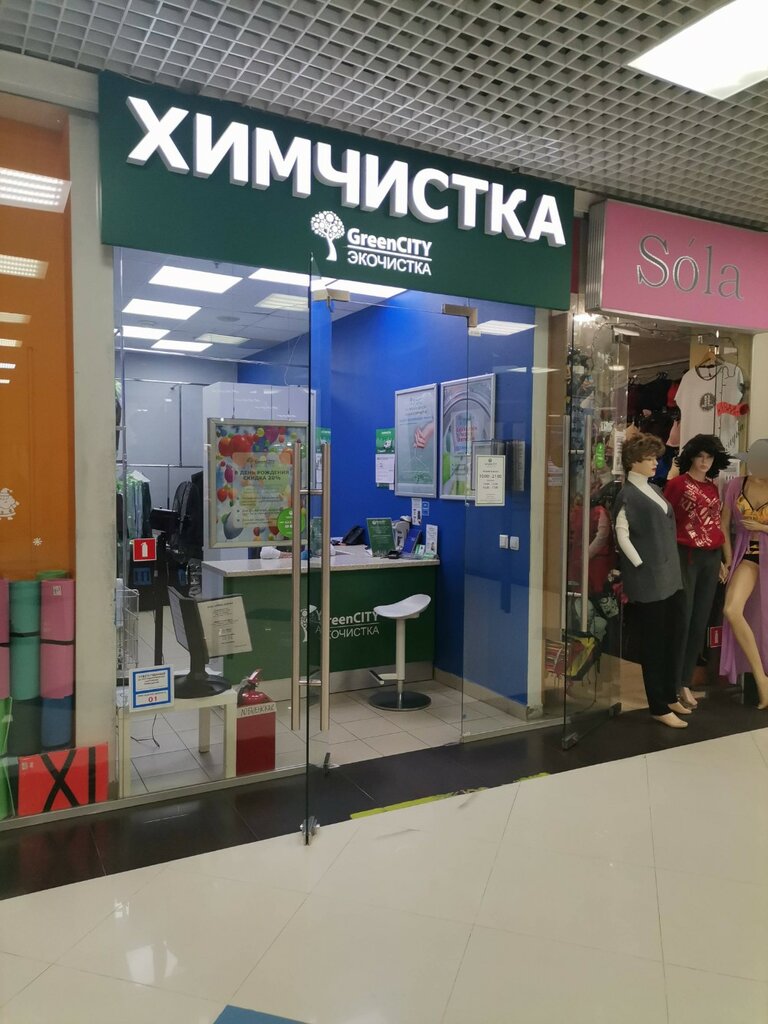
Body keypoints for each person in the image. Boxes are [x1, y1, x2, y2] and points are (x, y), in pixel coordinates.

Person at [613, 433, 689, 728]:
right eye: (649, 459)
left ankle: (669, 694)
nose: (655, 463)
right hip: (648, 577)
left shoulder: (654, 488)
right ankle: (658, 705)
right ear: (633, 461)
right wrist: (639, 563)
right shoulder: (627, 495)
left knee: (672, 635)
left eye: (655, 458)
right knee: (653, 642)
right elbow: (622, 535)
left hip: (669, 574)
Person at [664, 435, 730, 708]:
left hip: (710, 558)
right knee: (683, 618)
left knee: (700, 620)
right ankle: (672, 684)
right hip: (686, 556)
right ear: (691, 456)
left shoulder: (712, 488)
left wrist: (722, 559)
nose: (704, 462)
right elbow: (666, 520)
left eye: (709, 457)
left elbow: (715, 523)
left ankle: (685, 681)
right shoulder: (677, 485)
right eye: (700, 456)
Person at [720, 439, 768, 709]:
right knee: (732, 609)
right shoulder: (736, 485)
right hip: (746, 556)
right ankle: (761, 679)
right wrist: (728, 560)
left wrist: (763, 528)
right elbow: (723, 524)